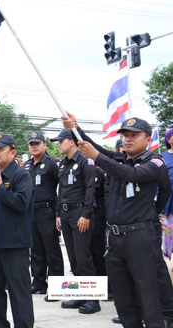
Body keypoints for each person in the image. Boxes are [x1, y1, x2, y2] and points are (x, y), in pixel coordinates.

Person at [62, 114, 172, 328]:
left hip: (140, 237)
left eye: (134, 135)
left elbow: (132, 175)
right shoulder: (120, 160)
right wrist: (76, 129)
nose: (128, 139)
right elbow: (97, 149)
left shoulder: (155, 162)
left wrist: (153, 211)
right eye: (125, 135)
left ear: (148, 139)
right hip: (115, 239)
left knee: (148, 298)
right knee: (123, 298)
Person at [0, 132, 34, 328]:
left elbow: (22, 203)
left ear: (13, 153)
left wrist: (0, 188)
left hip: (14, 245)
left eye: (0, 149)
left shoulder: (21, 175)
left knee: (19, 293)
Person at [50, 129, 100, 314]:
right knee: (73, 258)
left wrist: (86, 214)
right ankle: (80, 294)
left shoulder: (85, 161)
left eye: (61, 141)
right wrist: (57, 214)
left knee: (83, 258)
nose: (58, 144)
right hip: (65, 214)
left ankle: (93, 300)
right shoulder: (63, 165)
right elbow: (60, 191)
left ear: (72, 141)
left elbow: (90, 189)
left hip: (80, 213)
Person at [23, 131, 64, 299]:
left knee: (51, 250)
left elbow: (62, 189)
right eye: (31, 144)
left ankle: (56, 287)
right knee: (36, 249)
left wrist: (58, 213)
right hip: (31, 212)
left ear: (44, 145)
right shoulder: (26, 165)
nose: (34, 146)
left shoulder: (52, 164)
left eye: (37, 143)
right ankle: (39, 282)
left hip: (48, 211)